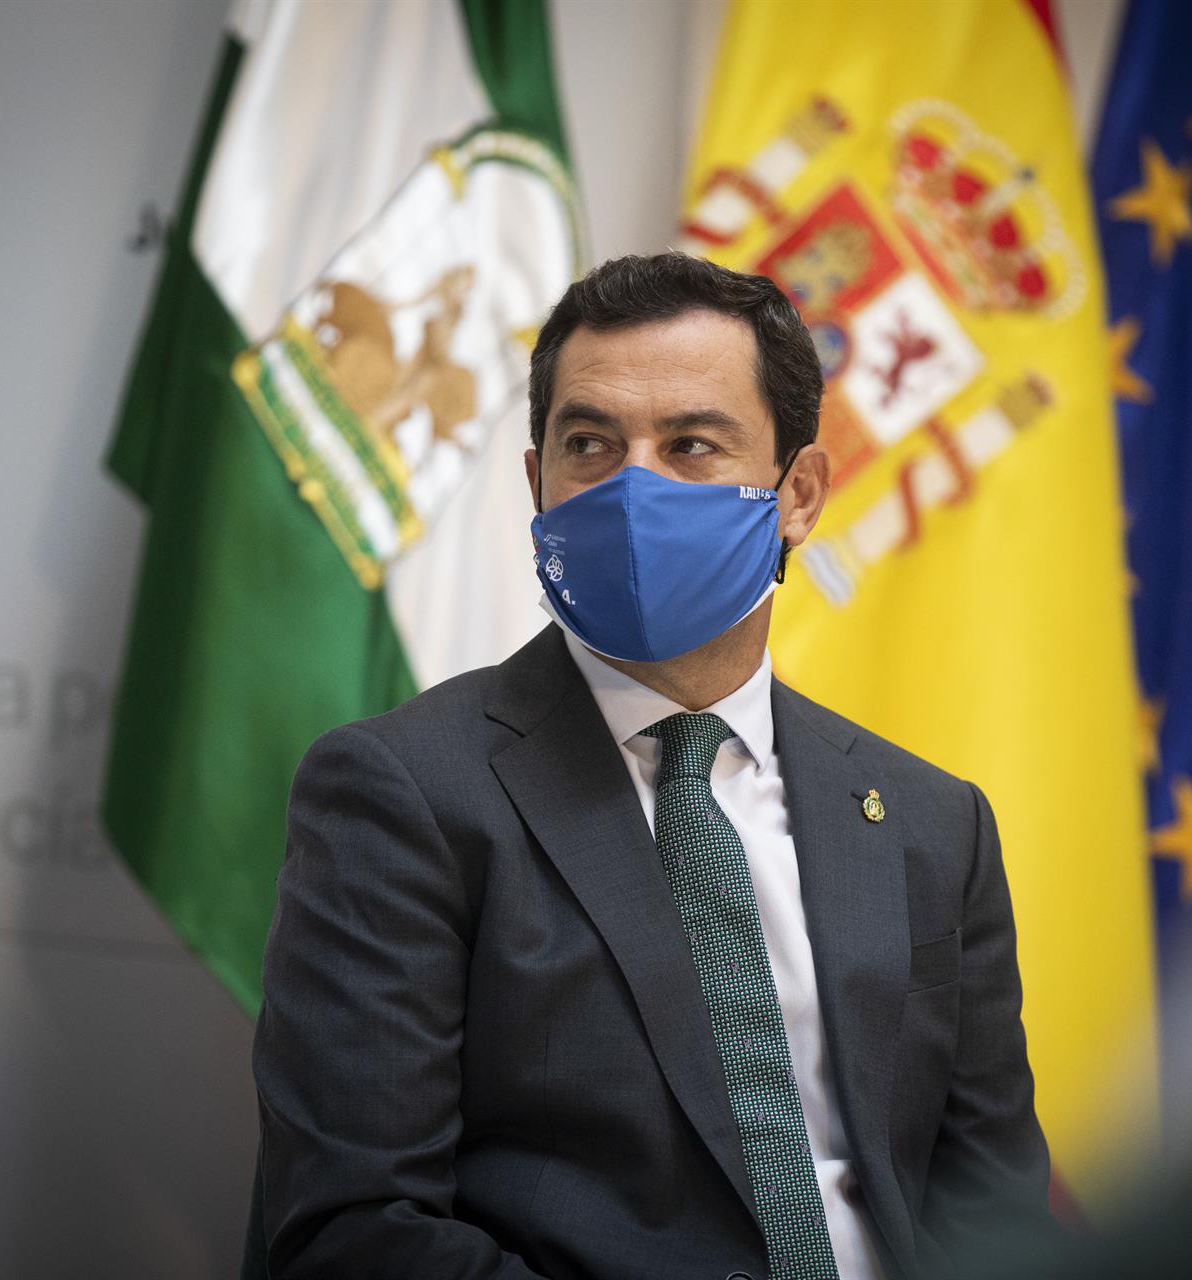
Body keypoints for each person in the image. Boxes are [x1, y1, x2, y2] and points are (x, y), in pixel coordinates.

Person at [252, 253, 1052, 1280]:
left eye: (691, 444)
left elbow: (994, 1211)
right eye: (590, 443)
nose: (633, 487)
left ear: (798, 493)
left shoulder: (932, 823)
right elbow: (356, 1229)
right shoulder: (402, 790)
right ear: (537, 483)